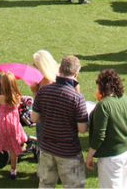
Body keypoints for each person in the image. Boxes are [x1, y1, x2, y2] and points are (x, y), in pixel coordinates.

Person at [32, 54, 89, 188]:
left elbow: (34, 118)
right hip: (68, 152)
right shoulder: (77, 98)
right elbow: (82, 129)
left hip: (46, 149)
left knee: (45, 185)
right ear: (76, 72)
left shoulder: (43, 91)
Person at [86, 69, 127, 188]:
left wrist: (89, 156)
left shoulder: (103, 105)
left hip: (112, 157)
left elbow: (99, 136)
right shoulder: (125, 99)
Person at [0, 71, 30, 180]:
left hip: (2, 125)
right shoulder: (17, 97)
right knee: (13, 150)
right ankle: (13, 171)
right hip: (13, 126)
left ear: (2, 85)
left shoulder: (0, 98)